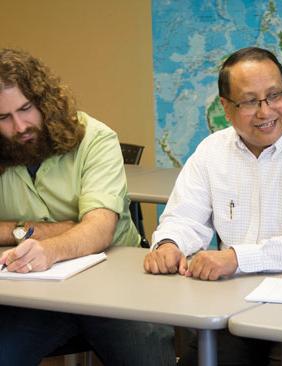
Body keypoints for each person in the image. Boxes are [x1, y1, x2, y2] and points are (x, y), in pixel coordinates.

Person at [144, 47, 282, 365]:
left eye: (274, 96)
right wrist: (170, 243)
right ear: (226, 108)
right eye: (250, 101)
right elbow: (185, 216)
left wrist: (236, 258)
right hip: (237, 304)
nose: (265, 111)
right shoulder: (211, 151)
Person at [0, 48, 175, 366]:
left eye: (26, 108)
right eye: (3, 117)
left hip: (114, 282)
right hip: (28, 293)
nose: (20, 125)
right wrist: (55, 229)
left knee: (148, 357)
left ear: (44, 100)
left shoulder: (95, 138)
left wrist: (48, 248)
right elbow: (84, 226)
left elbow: (98, 229)